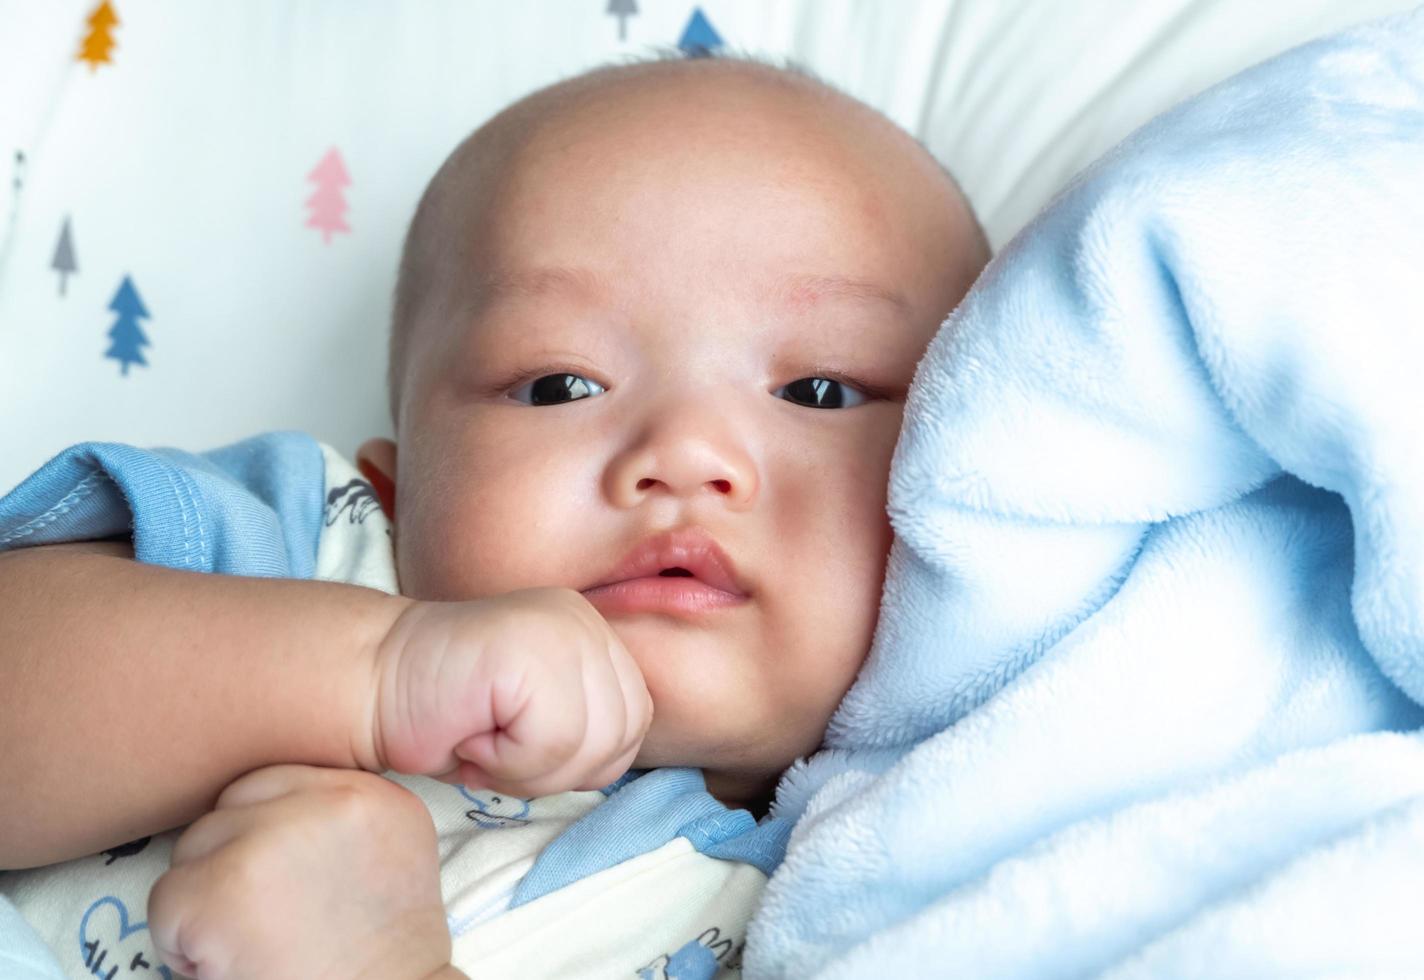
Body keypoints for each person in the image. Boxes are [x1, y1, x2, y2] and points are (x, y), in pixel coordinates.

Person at [0, 52, 988, 978]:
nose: (683, 451)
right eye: (561, 382)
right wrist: (374, 672)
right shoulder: (314, 547)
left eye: (819, 390)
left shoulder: (847, 907)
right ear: (400, 489)